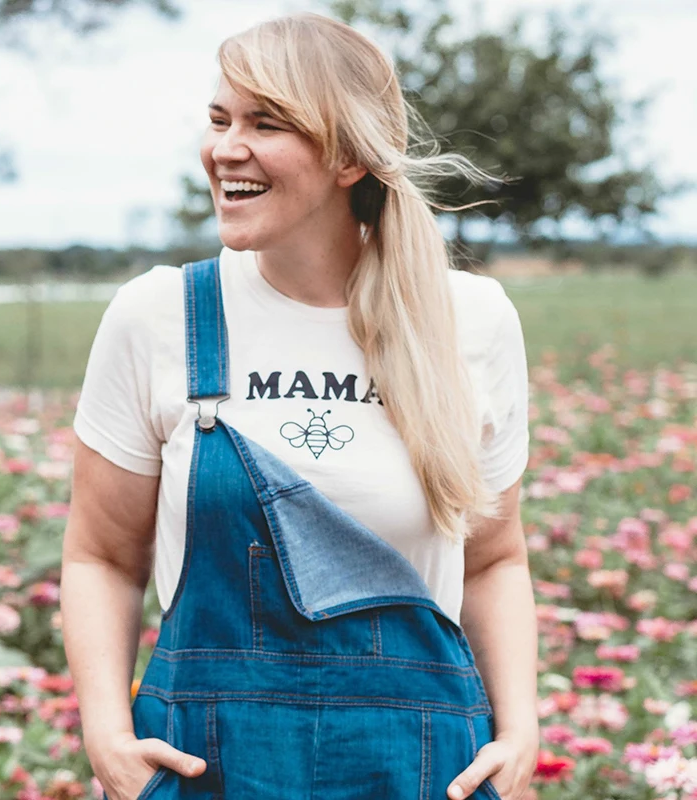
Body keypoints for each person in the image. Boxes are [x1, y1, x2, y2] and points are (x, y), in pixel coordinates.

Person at [61, 11, 538, 800]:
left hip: (421, 770)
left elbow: (493, 560)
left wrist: (519, 735)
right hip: (207, 769)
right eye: (220, 120)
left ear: (349, 155)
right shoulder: (161, 316)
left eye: (265, 123)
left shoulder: (470, 322)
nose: (225, 149)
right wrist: (108, 740)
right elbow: (101, 557)